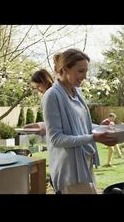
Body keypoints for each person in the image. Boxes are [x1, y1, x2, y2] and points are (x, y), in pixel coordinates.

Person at [42, 48, 117, 194]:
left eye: (86, 71)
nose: (85, 76)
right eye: (81, 71)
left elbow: (82, 126)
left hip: (84, 162)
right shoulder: (52, 96)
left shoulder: (77, 93)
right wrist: (93, 137)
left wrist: (104, 129)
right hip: (69, 170)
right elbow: (56, 139)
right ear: (65, 69)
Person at [23, 69, 54, 136]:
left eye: (38, 86)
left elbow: (55, 123)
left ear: (45, 81)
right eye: (36, 88)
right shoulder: (48, 96)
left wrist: (43, 127)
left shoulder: (51, 96)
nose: (38, 90)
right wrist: (39, 125)